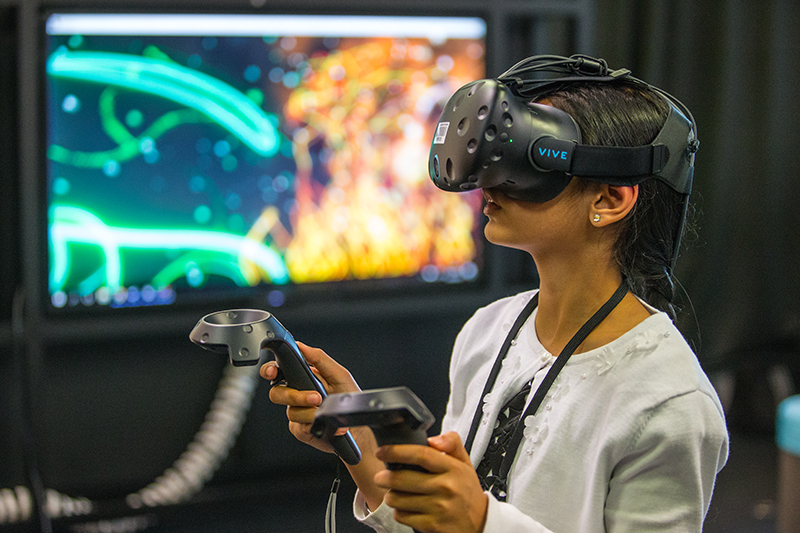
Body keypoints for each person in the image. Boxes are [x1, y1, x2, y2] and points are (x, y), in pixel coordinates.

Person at [261, 59, 730, 533]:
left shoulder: (669, 404)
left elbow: (467, 521)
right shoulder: (488, 331)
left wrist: (481, 520)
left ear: (609, 200)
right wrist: (359, 439)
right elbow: (438, 523)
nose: (488, 180)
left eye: (525, 159)